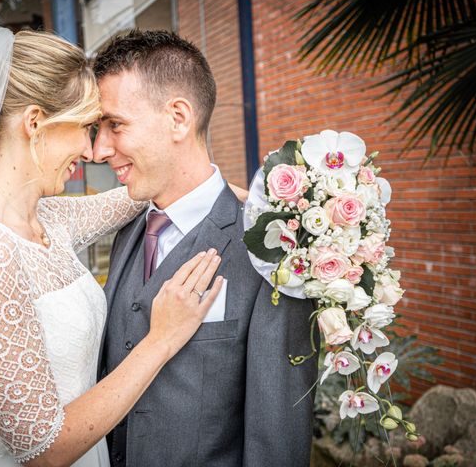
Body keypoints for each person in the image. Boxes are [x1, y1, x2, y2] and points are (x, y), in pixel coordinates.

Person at [0, 28, 227, 467]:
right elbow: (43, 450)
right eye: (86, 127)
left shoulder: (48, 218)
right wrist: (162, 340)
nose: (93, 149)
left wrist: (240, 195)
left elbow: (136, 194)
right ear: (35, 123)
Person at [93, 30, 319, 467]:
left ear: (178, 117)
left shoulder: (274, 254)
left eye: (115, 125)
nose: (100, 150)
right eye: (97, 129)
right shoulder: (128, 231)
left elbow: (277, 436)